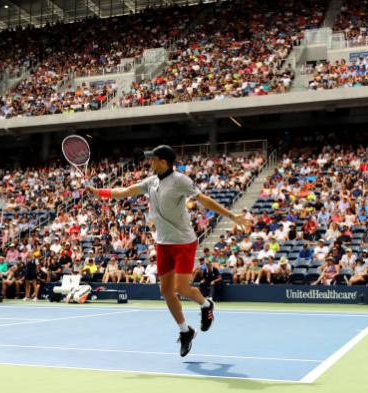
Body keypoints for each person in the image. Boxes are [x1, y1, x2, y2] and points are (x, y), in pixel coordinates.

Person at [87, 144, 250, 357]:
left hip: (183, 242)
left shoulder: (181, 181)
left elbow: (204, 200)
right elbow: (125, 191)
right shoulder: (150, 182)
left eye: (153, 159)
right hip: (163, 243)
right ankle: (185, 331)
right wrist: (100, 192)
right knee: (165, 292)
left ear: (163, 162)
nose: (150, 163)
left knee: (182, 288)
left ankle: (206, 303)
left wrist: (231, 216)